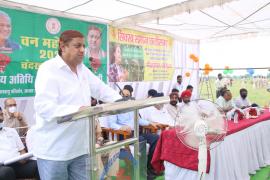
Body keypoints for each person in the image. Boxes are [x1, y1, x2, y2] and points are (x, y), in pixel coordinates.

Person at [33, 30, 121, 180]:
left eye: (83, 46)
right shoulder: (48, 69)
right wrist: (78, 110)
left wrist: (121, 101)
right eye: (77, 46)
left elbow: (100, 89)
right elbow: (44, 107)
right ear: (62, 46)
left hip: (81, 148)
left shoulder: (82, 69)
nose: (82, 50)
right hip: (55, 151)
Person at [0, 107, 40, 180]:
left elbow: (22, 151)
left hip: (17, 164)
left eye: (1, 115)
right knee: (7, 172)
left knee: (40, 165)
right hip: (2, 166)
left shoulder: (11, 131)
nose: (1, 118)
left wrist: (23, 159)